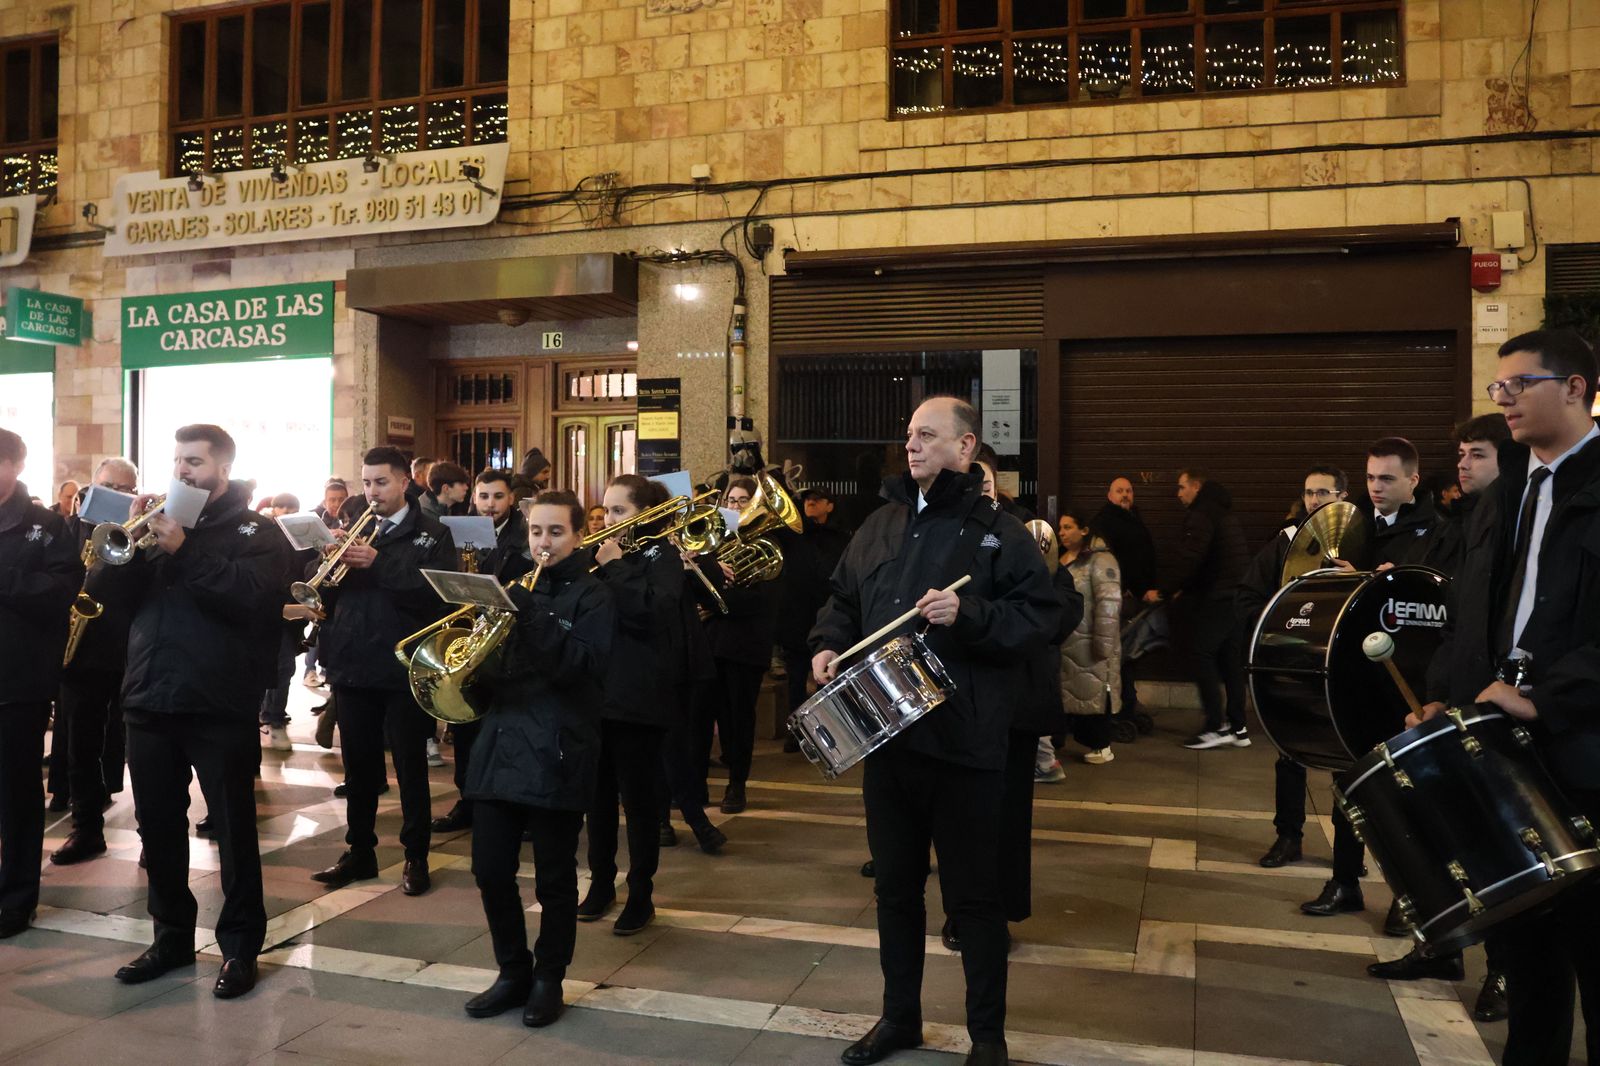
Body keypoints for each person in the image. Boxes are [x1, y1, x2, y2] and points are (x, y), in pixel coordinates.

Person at [810, 396, 1060, 1066]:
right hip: (888, 743)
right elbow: (841, 600)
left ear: (965, 446)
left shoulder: (998, 532)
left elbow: (1047, 615)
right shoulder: (880, 524)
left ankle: (988, 1038)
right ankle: (900, 1018)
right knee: (894, 888)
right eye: (910, 435)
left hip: (967, 744)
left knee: (975, 899)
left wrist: (970, 613)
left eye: (928, 435)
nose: (912, 445)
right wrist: (827, 644)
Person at [1409, 330, 1600, 1064]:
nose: (1504, 400)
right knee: (1529, 956)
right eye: (1498, 388)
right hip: (1503, 749)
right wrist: (1444, 700)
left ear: (1576, 387)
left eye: (1519, 385)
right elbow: (1473, 614)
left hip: (1583, 753)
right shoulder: (1509, 492)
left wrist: (1548, 698)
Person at [86, 424, 288, 997]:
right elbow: (106, 596)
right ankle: (171, 936)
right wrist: (125, 553)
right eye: (177, 460)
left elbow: (253, 599)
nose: (183, 471)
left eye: (195, 462)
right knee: (159, 826)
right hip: (149, 695)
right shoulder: (156, 527)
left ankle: (242, 945)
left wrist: (186, 548)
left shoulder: (258, 531)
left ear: (223, 468)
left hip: (217, 701)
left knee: (233, 827)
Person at [1363, 415, 1512, 1021]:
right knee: (1445, 824)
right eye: (1461, 454)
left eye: (1476, 454)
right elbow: (1460, 620)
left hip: (1500, 703)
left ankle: (1505, 969)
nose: (1463, 465)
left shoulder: (1511, 518)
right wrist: (1438, 695)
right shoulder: (1477, 518)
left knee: (1495, 838)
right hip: (1459, 696)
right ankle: (1442, 943)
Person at [460, 490, 614, 1029]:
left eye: (555, 533)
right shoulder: (515, 587)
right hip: (500, 744)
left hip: (558, 748)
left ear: (577, 536)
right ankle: (512, 971)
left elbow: (580, 667)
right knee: (489, 869)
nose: (543, 543)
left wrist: (532, 618)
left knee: (554, 878)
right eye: (536, 532)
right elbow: (494, 676)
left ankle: (550, 978)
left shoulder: (595, 595)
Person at [312, 446, 459, 897]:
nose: (372, 492)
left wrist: (378, 563)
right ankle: (359, 850)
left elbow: (438, 593)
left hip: (402, 664)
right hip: (353, 662)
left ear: (404, 483)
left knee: (411, 767)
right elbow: (326, 593)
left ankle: (416, 854)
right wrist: (325, 564)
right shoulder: (358, 525)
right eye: (367, 482)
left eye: (382, 482)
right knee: (358, 768)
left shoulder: (433, 533)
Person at [579, 474, 689, 934]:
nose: (609, 520)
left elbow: (652, 612)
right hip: (596, 693)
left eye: (620, 511)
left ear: (646, 513)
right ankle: (601, 883)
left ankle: (640, 893)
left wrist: (617, 565)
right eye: (606, 511)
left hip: (640, 695)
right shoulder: (599, 555)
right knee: (597, 800)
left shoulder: (662, 555)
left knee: (640, 803)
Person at [1238, 466, 1351, 874]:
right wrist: (1276, 626)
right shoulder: (1285, 541)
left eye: (1323, 492)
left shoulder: (1363, 537)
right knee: (1290, 754)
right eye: (1308, 493)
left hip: (1344, 667)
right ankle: (1288, 836)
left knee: (1349, 762)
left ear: (1343, 494)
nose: (1314, 500)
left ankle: (1349, 853)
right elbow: (1248, 596)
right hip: (1294, 664)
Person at [0, 427, 83, 937]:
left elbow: (62, 590)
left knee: (17, 793)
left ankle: (16, 897)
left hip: (18, 680)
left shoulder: (47, 526)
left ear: (13, 467)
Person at [48, 457, 140, 865]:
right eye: (109, 487)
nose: (116, 496)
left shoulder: (141, 529)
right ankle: (86, 828)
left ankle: (153, 834)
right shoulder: (71, 526)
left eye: (125, 490)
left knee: (141, 746)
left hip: (129, 650)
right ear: (92, 487)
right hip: (81, 651)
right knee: (78, 741)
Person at [432, 469, 531, 834]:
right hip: (468, 639)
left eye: (498, 497)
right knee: (466, 728)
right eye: (484, 496)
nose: (490, 505)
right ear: (474, 498)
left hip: (509, 645)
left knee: (507, 731)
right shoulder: (456, 534)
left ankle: (513, 809)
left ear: (512, 500)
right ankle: (469, 800)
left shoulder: (523, 536)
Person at [1147, 469, 1249, 750]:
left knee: (1200, 652)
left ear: (1196, 486)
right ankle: (1238, 727)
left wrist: (1166, 590)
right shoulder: (1224, 513)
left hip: (1219, 597)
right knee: (1230, 660)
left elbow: (1191, 558)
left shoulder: (1203, 514)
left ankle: (1215, 726)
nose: (1178, 494)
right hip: (1237, 596)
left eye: (1182, 487)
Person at [697, 475, 780, 815]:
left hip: (744, 647)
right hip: (710, 645)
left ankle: (737, 785)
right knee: (702, 718)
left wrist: (715, 602)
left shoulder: (767, 548)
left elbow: (758, 601)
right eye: (730, 501)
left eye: (742, 500)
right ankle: (695, 784)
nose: (734, 506)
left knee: (738, 721)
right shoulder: (715, 544)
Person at [777, 487, 851, 749]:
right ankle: (796, 733)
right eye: (807, 500)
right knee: (796, 678)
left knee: (826, 678)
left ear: (830, 506)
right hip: (796, 615)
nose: (810, 503)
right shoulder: (795, 535)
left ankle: (824, 735)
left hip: (825, 616)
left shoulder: (841, 538)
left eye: (817, 499)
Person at [1056, 509, 1121, 767]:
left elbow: (1109, 602)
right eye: (1060, 528)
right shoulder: (1064, 559)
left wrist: (1103, 643)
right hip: (1069, 642)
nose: (1062, 533)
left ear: (1084, 530)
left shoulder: (1101, 561)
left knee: (1094, 694)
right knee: (1074, 693)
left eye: (1069, 527)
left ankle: (1101, 744)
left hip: (1090, 643)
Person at [1090, 477, 1156, 718]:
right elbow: (1105, 561)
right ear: (1110, 495)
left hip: (1135, 599)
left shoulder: (1133, 518)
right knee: (1121, 654)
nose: (1125, 494)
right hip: (1119, 600)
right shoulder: (1105, 522)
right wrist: (1125, 586)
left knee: (1129, 653)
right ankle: (1120, 706)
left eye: (1129, 490)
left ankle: (1128, 700)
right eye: (1120, 491)